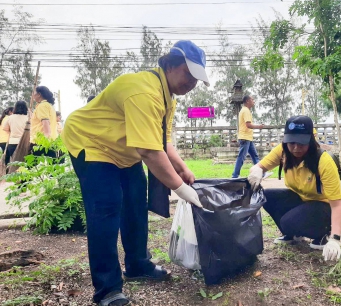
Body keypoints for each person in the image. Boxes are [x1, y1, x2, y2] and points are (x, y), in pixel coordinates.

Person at [62, 40, 209, 306]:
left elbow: (161, 141)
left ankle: (138, 264)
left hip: (124, 149)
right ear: (172, 64)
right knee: (106, 210)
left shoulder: (167, 97)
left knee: (135, 205)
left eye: (196, 79)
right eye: (188, 74)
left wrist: (183, 168)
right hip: (92, 143)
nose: (191, 83)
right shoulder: (144, 92)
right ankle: (107, 289)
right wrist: (180, 188)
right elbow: (150, 152)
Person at [248, 115, 341, 262]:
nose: (296, 148)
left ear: (311, 140)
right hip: (302, 200)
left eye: (301, 143)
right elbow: (261, 165)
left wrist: (335, 238)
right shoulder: (283, 151)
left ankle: (324, 234)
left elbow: (337, 205)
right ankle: (293, 234)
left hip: (323, 206)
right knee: (266, 196)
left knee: (288, 222)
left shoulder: (324, 161)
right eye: (291, 142)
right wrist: (257, 170)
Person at [232, 95, 271, 178]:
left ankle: (262, 173)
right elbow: (248, 125)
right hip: (245, 138)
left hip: (248, 138)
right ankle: (235, 175)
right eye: (252, 99)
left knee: (255, 156)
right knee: (241, 157)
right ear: (247, 101)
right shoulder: (245, 111)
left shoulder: (246, 110)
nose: (254, 101)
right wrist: (259, 126)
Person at [30, 86, 58, 158]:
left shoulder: (42, 106)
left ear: (39, 94)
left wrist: (46, 140)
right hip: (51, 141)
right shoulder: (48, 106)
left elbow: (46, 123)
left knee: (35, 167)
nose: (33, 95)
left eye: (34, 93)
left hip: (41, 142)